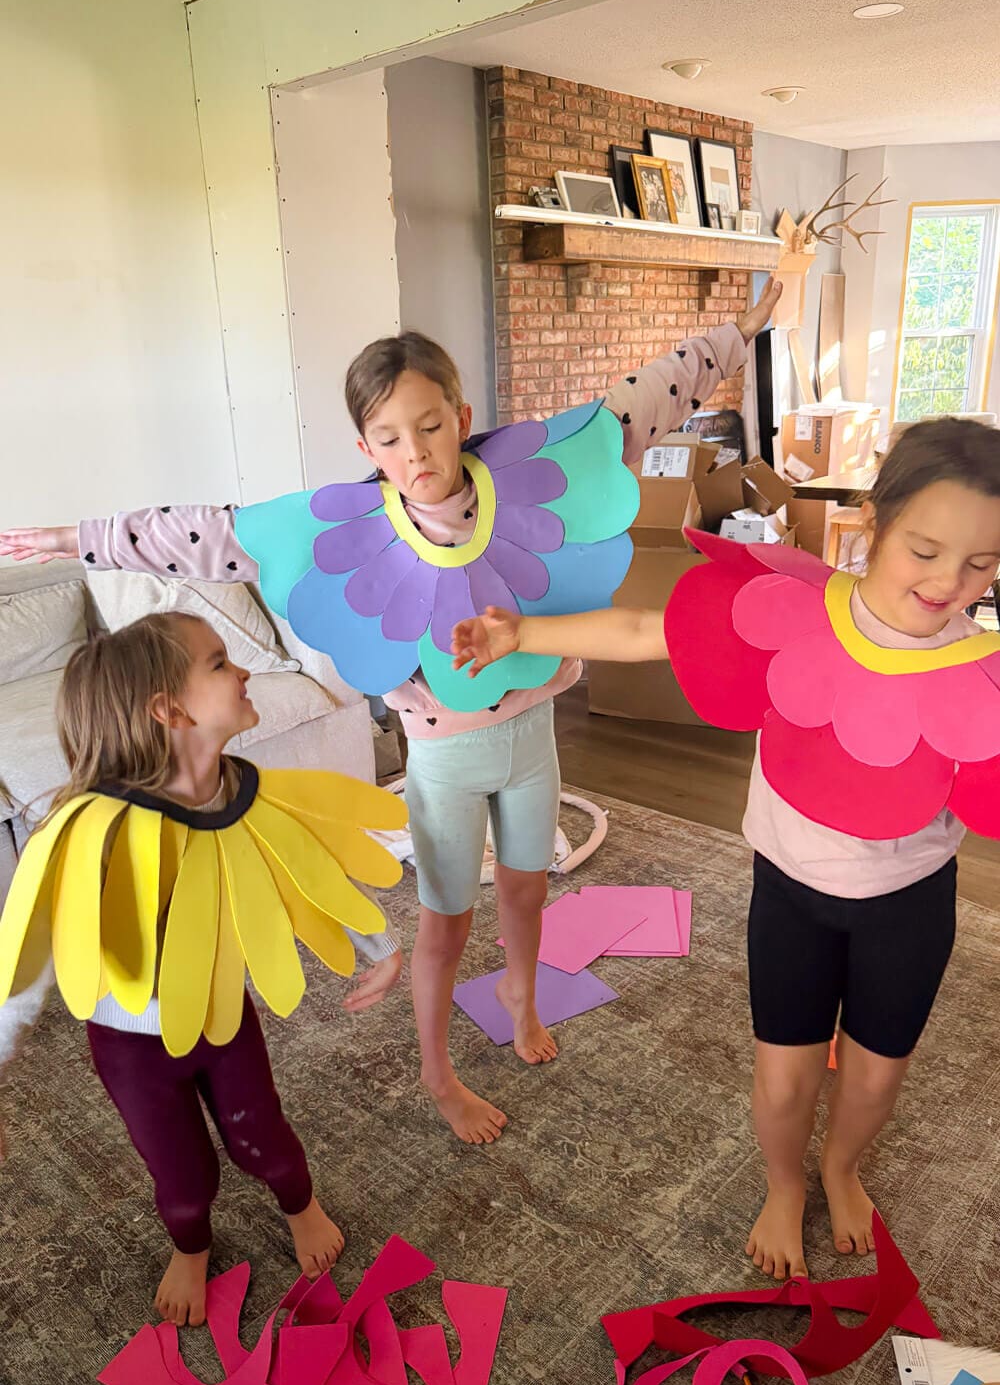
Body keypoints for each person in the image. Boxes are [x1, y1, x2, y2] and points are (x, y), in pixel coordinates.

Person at [0, 277, 781, 1146]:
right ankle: (438, 1073)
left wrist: (737, 332)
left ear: (462, 411)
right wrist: (78, 538)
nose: (415, 451)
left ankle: (522, 995)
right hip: (443, 756)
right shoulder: (346, 526)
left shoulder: (523, 476)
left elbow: (638, 406)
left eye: (431, 424)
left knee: (527, 889)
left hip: (530, 736)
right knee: (446, 923)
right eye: (389, 437)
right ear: (365, 446)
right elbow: (212, 535)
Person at [451, 417, 1000, 1278]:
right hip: (790, 893)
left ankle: (841, 1165)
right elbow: (643, 633)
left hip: (910, 903)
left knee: (872, 1078)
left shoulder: (983, 671)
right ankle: (784, 1182)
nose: (948, 582)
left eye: (982, 563)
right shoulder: (794, 612)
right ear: (878, 520)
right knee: (784, 1078)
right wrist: (524, 637)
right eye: (926, 550)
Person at [0, 611, 403, 1326]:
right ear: (168, 709)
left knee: (263, 1136)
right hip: (129, 1041)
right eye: (219, 662)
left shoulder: (251, 799)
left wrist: (381, 946)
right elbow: (29, 952)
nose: (243, 669)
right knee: (180, 1175)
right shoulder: (90, 830)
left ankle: (299, 1205)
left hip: (223, 1014)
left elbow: (307, 872)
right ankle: (190, 1246)